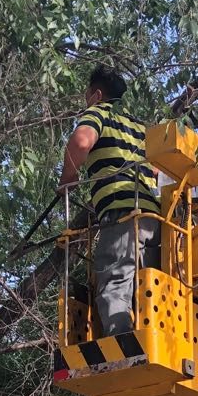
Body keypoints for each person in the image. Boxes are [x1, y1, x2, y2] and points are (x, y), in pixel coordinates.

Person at [60, 65, 161, 336]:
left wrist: (67, 179)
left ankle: (123, 345)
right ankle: (147, 340)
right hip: (154, 220)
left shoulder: (99, 112)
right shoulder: (139, 129)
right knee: (147, 287)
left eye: (87, 96)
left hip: (122, 213)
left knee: (114, 283)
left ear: (97, 95)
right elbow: (157, 171)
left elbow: (81, 142)